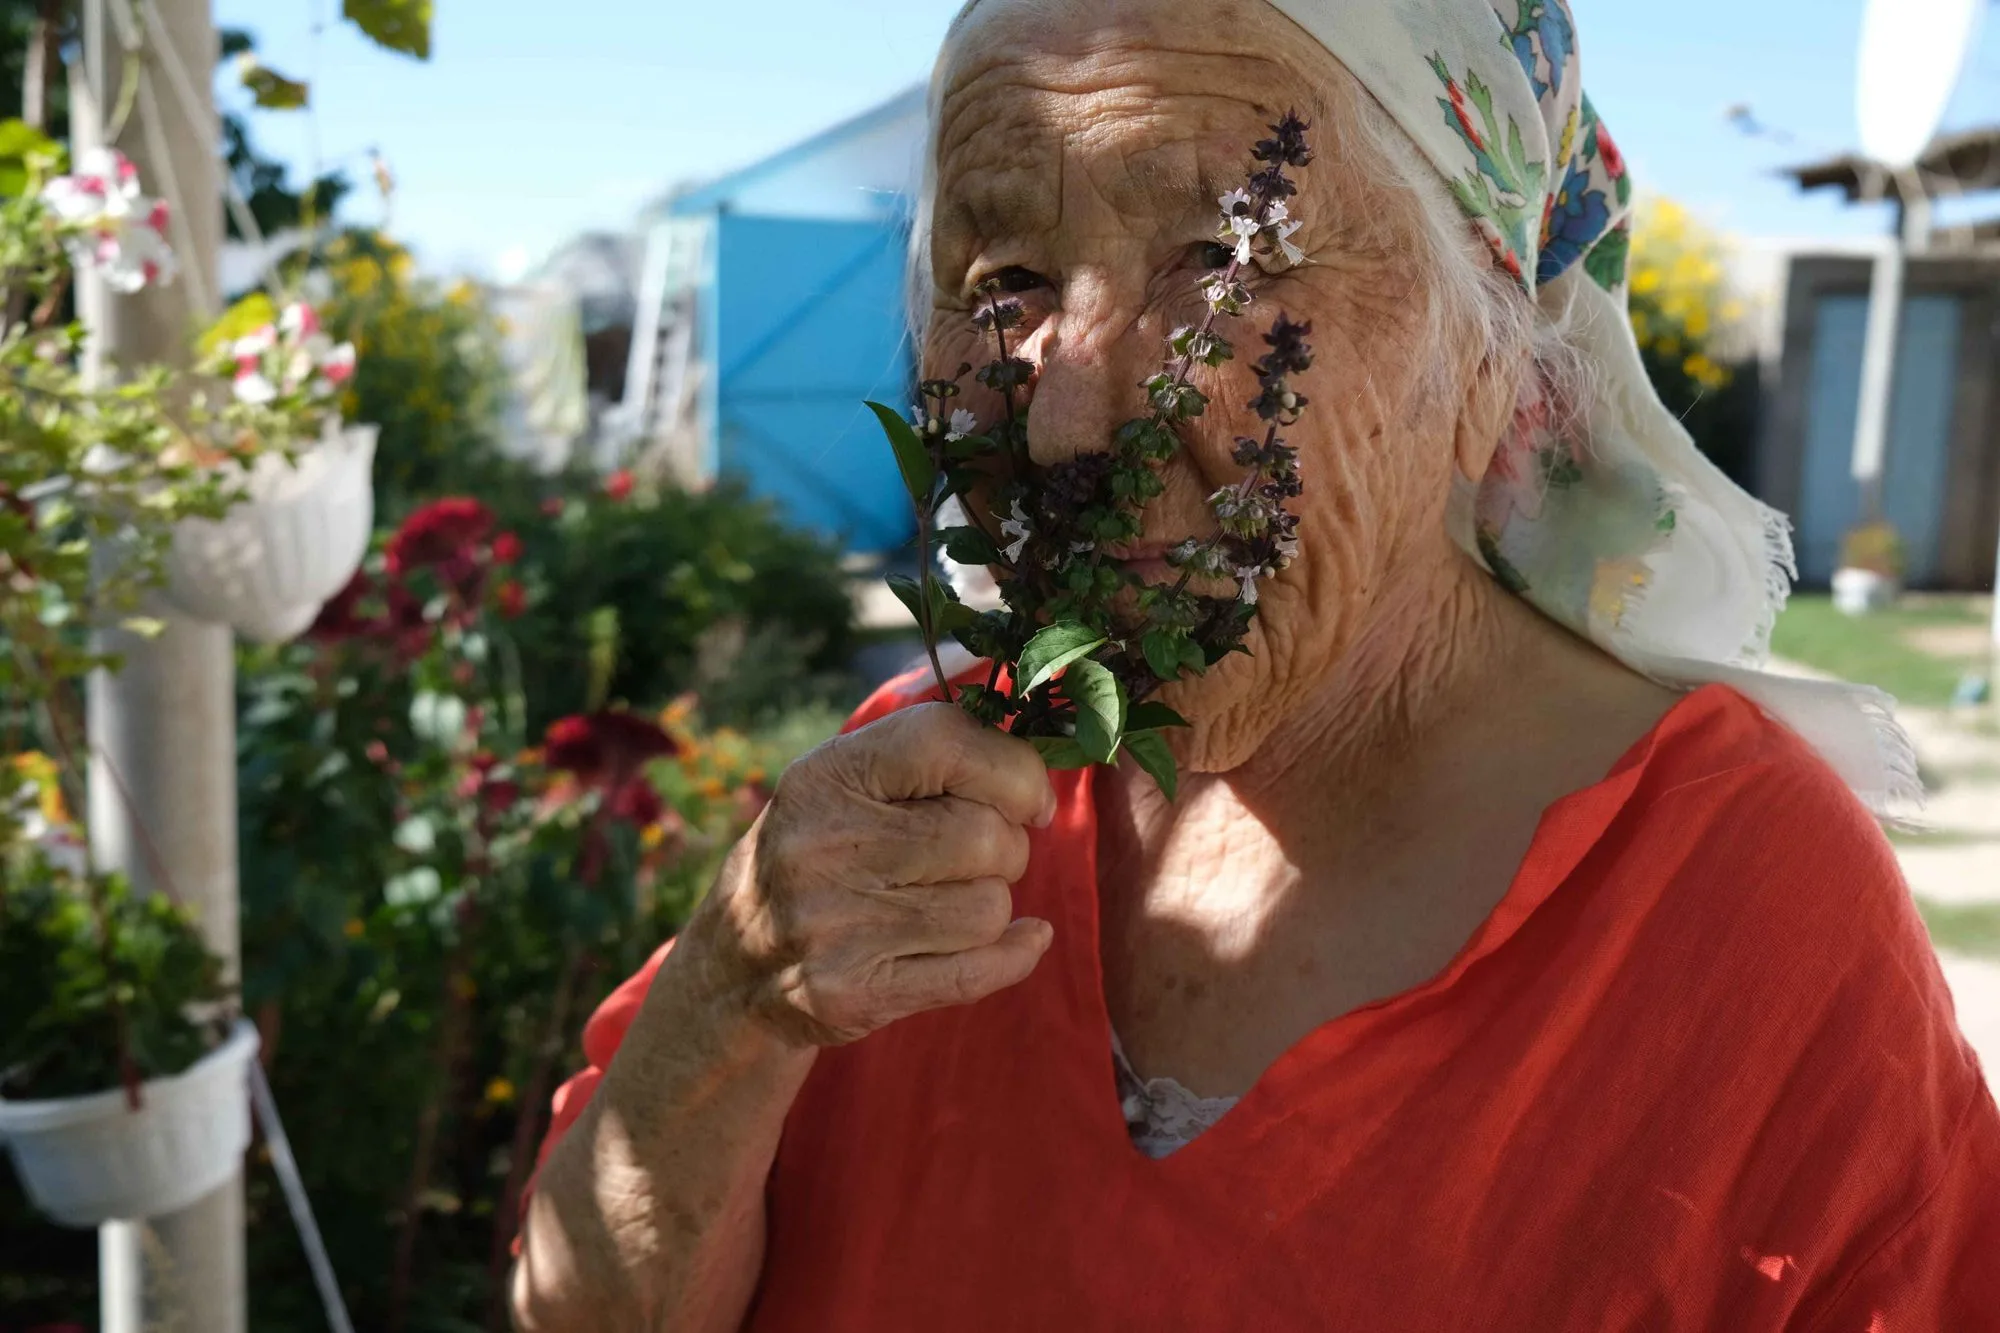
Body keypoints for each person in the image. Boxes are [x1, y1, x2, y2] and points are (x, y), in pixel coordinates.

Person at [510, 1, 2000, 1328]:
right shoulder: (913, 793)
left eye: (1222, 256)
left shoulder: (1735, 910)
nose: (1068, 420)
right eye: (1006, 274)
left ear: (1494, 347)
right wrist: (729, 1005)